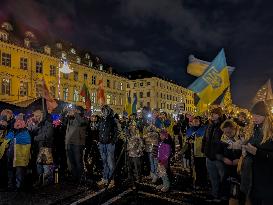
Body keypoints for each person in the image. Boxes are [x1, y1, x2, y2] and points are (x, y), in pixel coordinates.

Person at [241, 101, 273, 205]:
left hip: (267, 180)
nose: (254, 118)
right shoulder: (254, 129)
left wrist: (257, 152)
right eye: (253, 115)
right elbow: (250, 146)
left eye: (258, 115)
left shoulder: (271, 132)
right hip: (252, 177)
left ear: (265, 115)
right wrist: (244, 148)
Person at [202, 107, 225, 202]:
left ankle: (223, 196)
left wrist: (220, 153)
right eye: (211, 113)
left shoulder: (223, 126)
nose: (211, 115)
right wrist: (204, 150)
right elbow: (205, 138)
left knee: (222, 177)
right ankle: (215, 194)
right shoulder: (209, 125)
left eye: (214, 113)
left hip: (219, 157)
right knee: (213, 177)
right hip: (209, 155)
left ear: (219, 115)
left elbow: (225, 141)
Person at [4, 114, 31, 190]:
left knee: (19, 171)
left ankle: (19, 186)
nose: (18, 122)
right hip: (11, 155)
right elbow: (6, 141)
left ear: (24, 123)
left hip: (19, 156)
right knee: (10, 170)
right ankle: (10, 185)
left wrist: (15, 140)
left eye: (21, 121)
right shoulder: (11, 131)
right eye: (17, 121)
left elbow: (27, 142)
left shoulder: (25, 132)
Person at [218, 120, 243, 204]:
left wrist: (240, 160)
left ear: (234, 129)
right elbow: (217, 153)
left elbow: (247, 153)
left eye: (230, 131)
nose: (227, 133)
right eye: (225, 131)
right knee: (226, 189)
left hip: (239, 170)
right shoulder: (222, 139)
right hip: (226, 169)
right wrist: (223, 159)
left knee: (237, 191)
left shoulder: (241, 138)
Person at [28, 110, 54, 186]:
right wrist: (31, 124)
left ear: (41, 116)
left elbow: (47, 136)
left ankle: (47, 183)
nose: (35, 118)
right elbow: (31, 132)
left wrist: (35, 138)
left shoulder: (48, 124)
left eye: (36, 116)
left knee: (46, 167)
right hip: (37, 147)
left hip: (45, 147)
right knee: (38, 166)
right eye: (34, 116)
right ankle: (40, 181)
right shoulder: (37, 124)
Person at [62, 107, 87, 182]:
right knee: (71, 162)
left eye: (75, 110)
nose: (72, 111)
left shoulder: (83, 119)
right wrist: (64, 113)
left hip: (77, 143)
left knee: (78, 161)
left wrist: (75, 113)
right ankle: (74, 176)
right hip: (69, 143)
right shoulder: (70, 119)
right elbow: (63, 122)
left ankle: (81, 177)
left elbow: (82, 122)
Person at [97, 105, 118, 187]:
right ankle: (105, 178)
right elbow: (99, 131)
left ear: (108, 111)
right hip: (102, 143)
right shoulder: (101, 120)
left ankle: (111, 180)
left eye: (105, 110)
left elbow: (116, 132)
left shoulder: (112, 120)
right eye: (103, 110)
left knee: (110, 162)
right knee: (104, 162)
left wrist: (112, 141)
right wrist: (99, 141)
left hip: (109, 144)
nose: (103, 112)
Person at [186, 116, 207, 188]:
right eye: (194, 121)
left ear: (200, 122)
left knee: (202, 168)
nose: (195, 122)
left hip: (201, 153)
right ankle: (195, 181)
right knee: (193, 168)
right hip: (192, 153)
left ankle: (203, 182)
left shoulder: (204, 129)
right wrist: (188, 140)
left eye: (197, 121)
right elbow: (186, 140)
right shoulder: (189, 130)